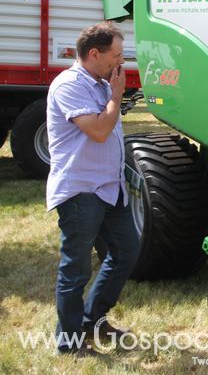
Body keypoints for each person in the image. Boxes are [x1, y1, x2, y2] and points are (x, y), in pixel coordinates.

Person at [47, 23, 140, 355]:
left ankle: (92, 320)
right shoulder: (69, 85)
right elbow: (100, 130)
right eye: (116, 55)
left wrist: (113, 97)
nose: (121, 62)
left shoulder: (101, 83)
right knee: (76, 268)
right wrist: (116, 97)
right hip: (81, 190)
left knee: (127, 250)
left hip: (110, 188)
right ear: (94, 54)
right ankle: (69, 343)